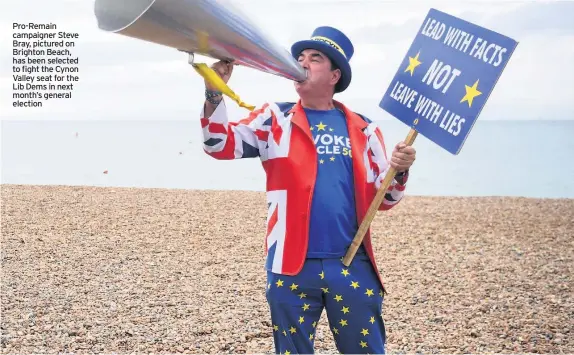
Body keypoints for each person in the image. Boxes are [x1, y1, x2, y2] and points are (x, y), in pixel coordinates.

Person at [198, 26, 416, 354]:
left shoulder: (364, 128)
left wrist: (400, 169)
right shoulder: (274, 118)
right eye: (300, 57)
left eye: (315, 58)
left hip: (351, 263)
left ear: (334, 75)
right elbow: (219, 144)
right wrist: (214, 90)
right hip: (290, 265)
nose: (303, 63)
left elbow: (384, 199)